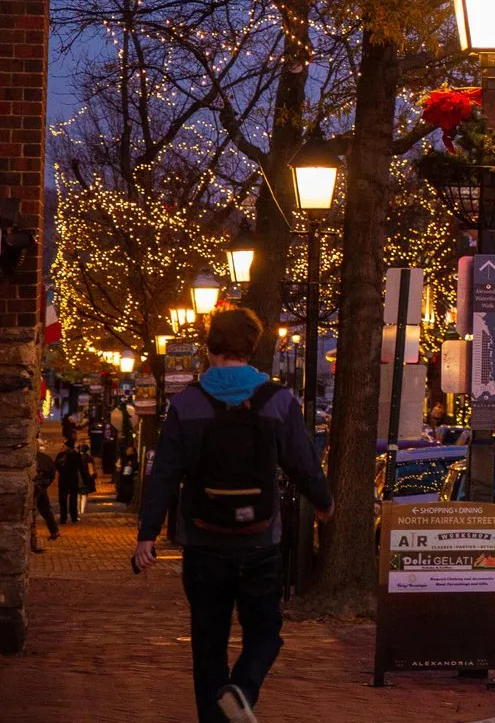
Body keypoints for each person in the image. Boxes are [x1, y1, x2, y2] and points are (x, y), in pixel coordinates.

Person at [136, 307, 334, 723]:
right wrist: (322, 501)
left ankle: (217, 716)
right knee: (265, 633)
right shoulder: (277, 400)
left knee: (208, 643)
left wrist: (148, 534)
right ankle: (240, 691)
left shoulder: (187, 404)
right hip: (260, 541)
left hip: (203, 541)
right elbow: (303, 461)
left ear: (210, 348)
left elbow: (165, 474)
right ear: (253, 348)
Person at [54, 436, 88, 524]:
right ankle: (74, 516)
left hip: (63, 479)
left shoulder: (62, 455)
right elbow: (81, 467)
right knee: (73, 499)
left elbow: (56, 465)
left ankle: (63, 517)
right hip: (73, 479)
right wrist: (85, 478)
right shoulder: (76, 455)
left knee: (63, 499)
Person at [31, 440, 58, 550]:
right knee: (45, 509)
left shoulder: (34, 458)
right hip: (42, 486)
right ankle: (54, 530)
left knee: (33, 509)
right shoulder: (46, 459)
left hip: (36, 486)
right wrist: (46, 485)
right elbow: (52, 474)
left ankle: (33, 534)